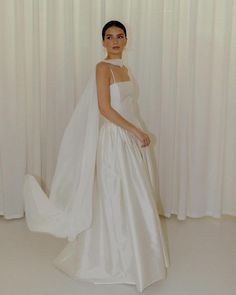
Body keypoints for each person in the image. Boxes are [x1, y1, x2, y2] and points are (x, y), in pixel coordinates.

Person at [23, 20, 170, 293]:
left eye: (120, 36)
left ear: (126, 40)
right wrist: (136, 131)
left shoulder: (124, 69)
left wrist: (137, 134)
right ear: (102, 42)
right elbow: (104, 108)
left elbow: (126, 105)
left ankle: (139, 255)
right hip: (115, 140)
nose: (115, 41)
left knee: (135, 196)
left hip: (128, 138)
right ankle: (112, 258)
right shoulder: (102, 68)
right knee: (115, 195)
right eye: (109, 36)